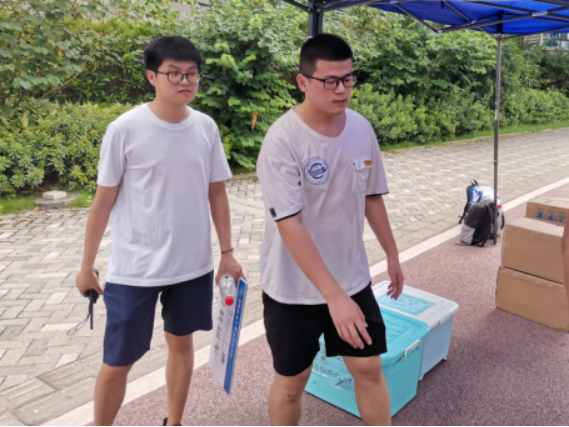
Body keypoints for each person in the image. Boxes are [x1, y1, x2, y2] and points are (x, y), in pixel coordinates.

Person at [75, 36, 243, 427]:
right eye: (174, 74)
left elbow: (217, 192)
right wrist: (86, 266)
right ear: (152, 77)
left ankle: (175, 422)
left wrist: (227, 253)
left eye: (192, 74)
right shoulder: (125, 129)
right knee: (118, 360)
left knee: (182, 344)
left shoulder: (205, 127)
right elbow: (102, 202)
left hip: (192, 264)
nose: (185, 81)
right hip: (135, 269)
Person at [256, 34, 405, 427]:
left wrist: (392, 254)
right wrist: (333, 297)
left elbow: (371, 196)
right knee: (292, 383)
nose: (342, 90)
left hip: (350, 277)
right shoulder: (282, 141)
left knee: (369, 367)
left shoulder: (361, 128)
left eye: (348, 79)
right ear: (303, 82)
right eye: (331, 81)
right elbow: (290, 225)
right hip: (293, 289)